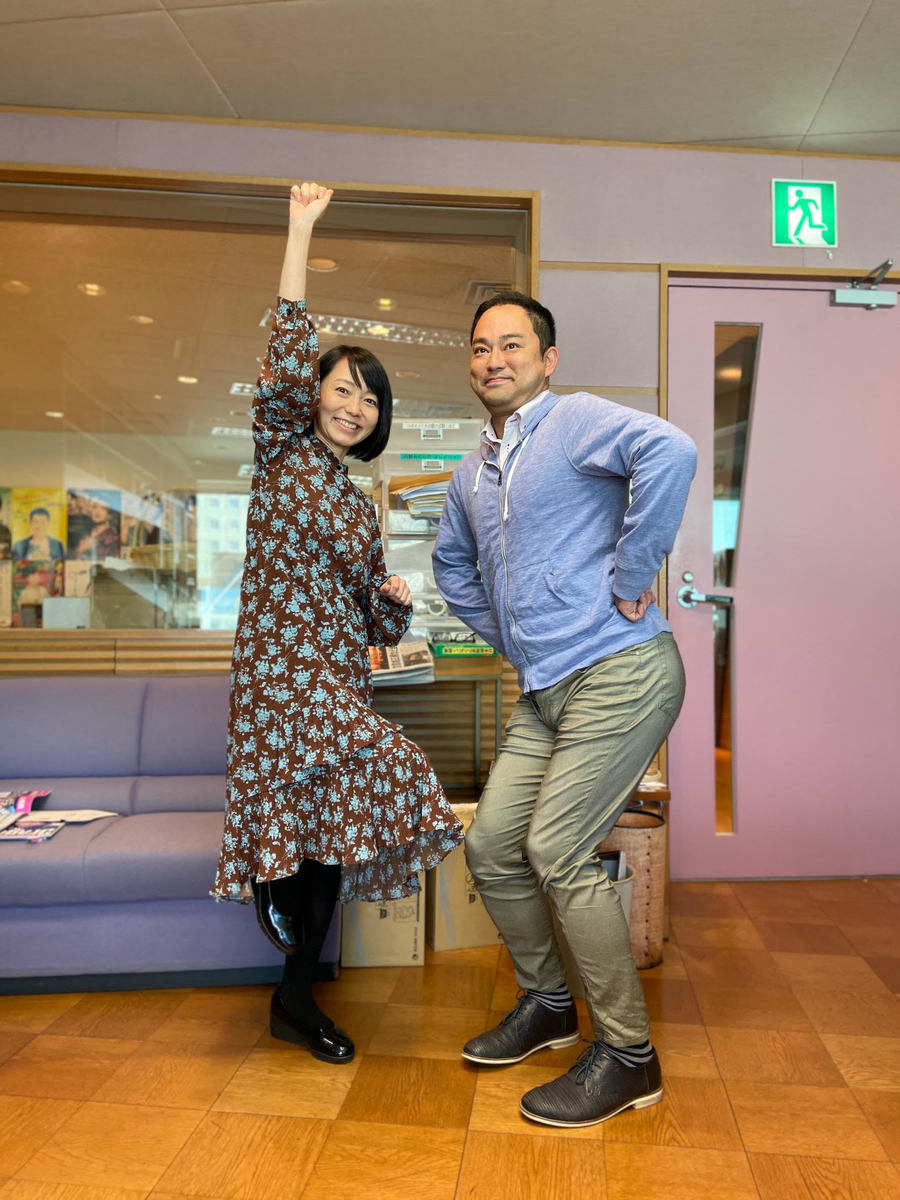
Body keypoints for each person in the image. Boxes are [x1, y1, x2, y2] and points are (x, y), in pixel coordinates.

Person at [212, 182, 463, 1065]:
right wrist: (300, 230)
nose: (354, 407)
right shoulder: (281, 453)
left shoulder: (358, 505)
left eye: (370, 400)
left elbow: (372, 619)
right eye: (343, 389)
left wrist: (392, 595)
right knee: (366, 783)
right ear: (314, 394)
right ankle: (271, 887)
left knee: (327, 838)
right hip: (279, 680)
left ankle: (294, 1000)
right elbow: (285, 347)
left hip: (336, 677)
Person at [432, 291, 696, 1128]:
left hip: (621, 670)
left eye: (512, 344)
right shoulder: (471, 473)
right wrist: (512, 636)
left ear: (547, 359)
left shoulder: (575, 421)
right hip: (546, 689)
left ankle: (629, 1055)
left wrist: (632, 575)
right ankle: (548, 1005)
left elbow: (672, 449)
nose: (494, 359)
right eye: (481, 347)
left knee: (555, 847)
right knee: (490, 845)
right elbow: (452, 566)